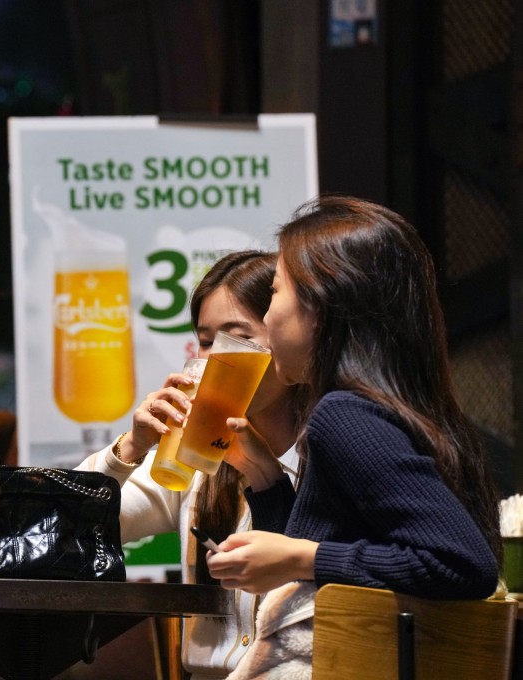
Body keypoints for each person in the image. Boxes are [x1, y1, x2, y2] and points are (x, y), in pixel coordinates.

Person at [205, 196, 501, 679]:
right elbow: (314, 574)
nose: (270, 317)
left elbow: (464, 564)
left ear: (320, 307)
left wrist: (303, 557)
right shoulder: (402, 408)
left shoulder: (344, 415)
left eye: (275, 293)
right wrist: (266, 478)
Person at [77, 250, 303, 679]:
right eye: (206, 340)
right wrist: (131, 448)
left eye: (238, 337)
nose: (217, 357)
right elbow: (74, 522)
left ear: (286, 337)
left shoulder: (325, 455)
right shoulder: (197, 459)